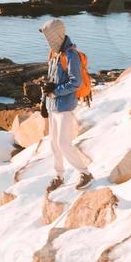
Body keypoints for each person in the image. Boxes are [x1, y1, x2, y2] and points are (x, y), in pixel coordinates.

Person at [39, 18, 93, 194]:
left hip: (65, 106)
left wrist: (55, 91)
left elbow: (75, 82)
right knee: (54, 144)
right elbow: (49, 81)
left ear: (58, 35)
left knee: (63, 143)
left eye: (49, 37)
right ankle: (59, 176)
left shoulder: (71, 55)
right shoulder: (53, 54)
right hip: (53, 105)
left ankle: (85, 173)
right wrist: (43, 102)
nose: (48, 40)